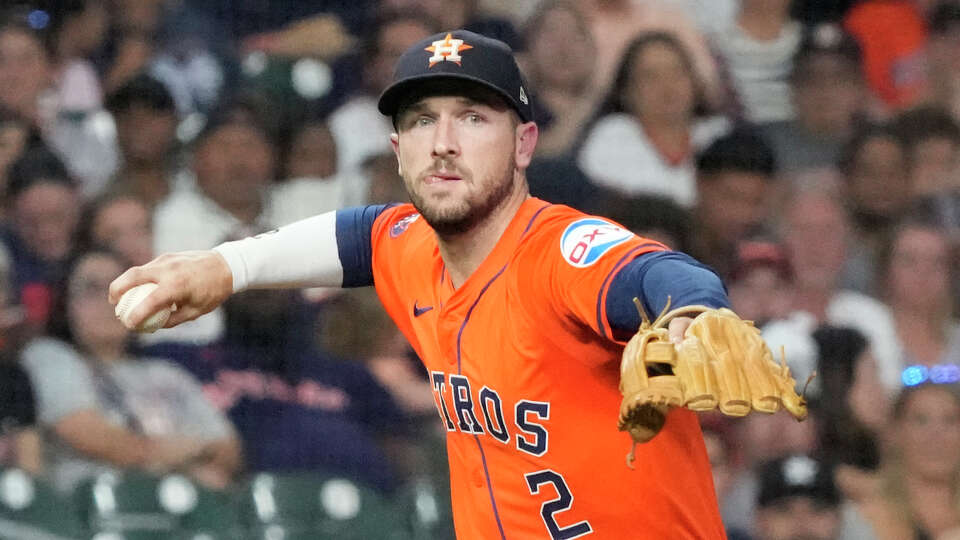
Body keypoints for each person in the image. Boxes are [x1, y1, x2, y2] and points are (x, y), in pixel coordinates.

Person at [111, 30, 739, 538]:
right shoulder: (414, 246)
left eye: (471, 118)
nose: (442, 144)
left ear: (524, 144)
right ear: (397, 148)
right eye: (420, 122)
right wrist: (226, 268)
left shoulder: (556, 254)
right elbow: (359, 236)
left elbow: (658, 271)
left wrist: (692, 314)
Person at [21, 249, 242, 493]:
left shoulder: (167, 372)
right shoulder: (48, 356)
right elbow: (90, 436)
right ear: (64, 304)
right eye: (91, 289)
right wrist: (188, 459)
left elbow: (228, 450)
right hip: (92, 513)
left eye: (121, 289)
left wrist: (177, 460)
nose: (109, 301)